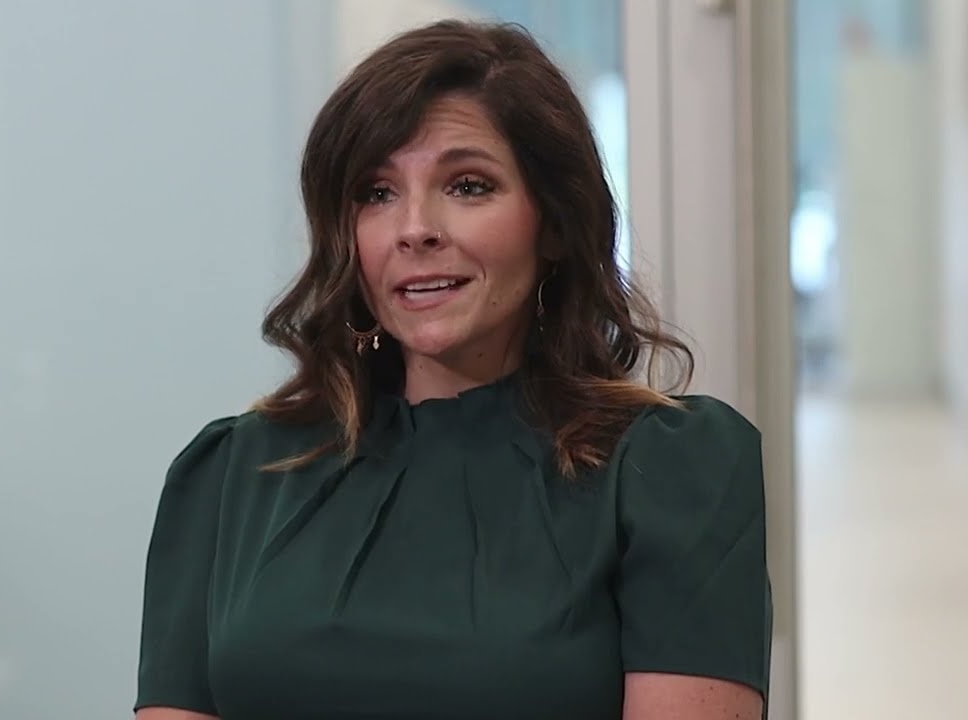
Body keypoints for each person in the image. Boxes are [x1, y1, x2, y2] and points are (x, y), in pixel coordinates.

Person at [134, 19, 771, 720]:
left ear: (555, 224)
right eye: (377, 193)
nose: (415, 229)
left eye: (468, 185)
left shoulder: (671, 473)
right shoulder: (229, 475)